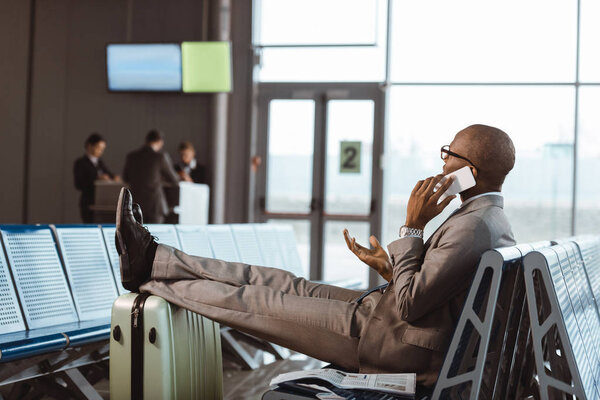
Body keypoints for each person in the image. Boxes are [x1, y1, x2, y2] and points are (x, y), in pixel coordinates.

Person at [115, 124, 516, 387]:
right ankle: (154, 258)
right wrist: (389, 268)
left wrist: (412, 228)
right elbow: (432, 293)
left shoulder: (474, 226)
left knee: (254, 301)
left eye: (450, 155)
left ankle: (146, 275)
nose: (442, 162)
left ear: (471, 173)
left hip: (386, 340)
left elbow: (412, 305)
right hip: (383, 317)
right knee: (274, 280)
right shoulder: (482, 218)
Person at [122, 130, 179, 223]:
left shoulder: (132, 157)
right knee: (154, 236)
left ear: (146, 141)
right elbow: (174, 179)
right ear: (160, 143)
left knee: (137, 235)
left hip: (136, 205)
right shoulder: (160, 157)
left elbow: (126, 177)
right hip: (154, 207)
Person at [73, 133, 120, 223]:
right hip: (89, 202)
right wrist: (96, 179)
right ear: (90, 146)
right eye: (98, 148)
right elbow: (78, 184)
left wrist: (114, 177)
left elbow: (108, 174)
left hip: (102, 202)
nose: (100, 151)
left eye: (102, 149)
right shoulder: (81, 163)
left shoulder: (100, 162)